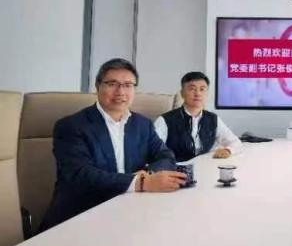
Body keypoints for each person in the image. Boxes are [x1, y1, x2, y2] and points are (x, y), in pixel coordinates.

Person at [40, 58, 186, 231]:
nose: (120, 91)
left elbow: (165, 155)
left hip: (129, 213)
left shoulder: (143, 125)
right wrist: (140, 183)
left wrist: (148, 175)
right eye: (112, 84)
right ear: (97, 86)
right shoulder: (71, 126)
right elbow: (81, 175)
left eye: (128, 85)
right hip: (79, 219)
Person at [154, 72, 241, 162]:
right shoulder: (165, 120)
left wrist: (228, 150)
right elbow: (153, 149)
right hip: (175, 166)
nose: (198, 93)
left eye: (202, 89)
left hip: (205, 166)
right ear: (182, 93)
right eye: (192, 89)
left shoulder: (212, 119)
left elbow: (235, 142)